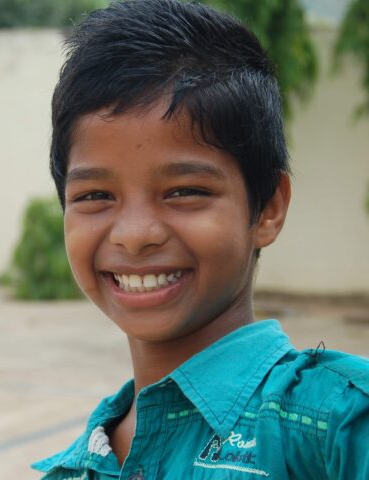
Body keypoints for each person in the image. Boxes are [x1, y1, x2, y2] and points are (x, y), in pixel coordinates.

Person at [32, 0, 369, 478]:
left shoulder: (338, 424)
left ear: (268, 208)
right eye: (96, 195)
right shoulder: (79, 467)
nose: (135, 235)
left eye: (184, 192)